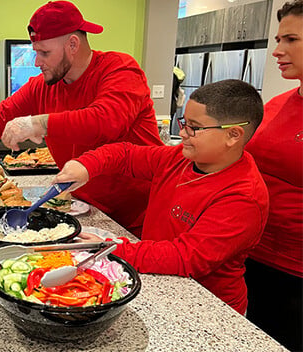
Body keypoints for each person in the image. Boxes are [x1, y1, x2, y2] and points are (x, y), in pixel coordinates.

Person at [0, 0, 163, 236]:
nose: (37, 62)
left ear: (72, 44)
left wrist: (38, 123)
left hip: (142, 218)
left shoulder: (120, 70)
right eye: (36, 52)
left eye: (45, 53)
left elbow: (106, 121)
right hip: (86, 209)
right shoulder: (44, 86)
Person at [54, 79, 268, 315]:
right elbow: (125, 154)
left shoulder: (243, 197)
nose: (183, 134)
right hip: (162, 282)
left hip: (208, 307)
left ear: (233, 135)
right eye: (184, 123)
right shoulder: (181, 158)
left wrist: (110, 248)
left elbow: (183, 257)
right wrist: (85, 165)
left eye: (194, 128)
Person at [244, 0, 303, 351]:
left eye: (291, 40)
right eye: (278, 39)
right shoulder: (277, 105)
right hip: (253, 254)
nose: (277, 50)